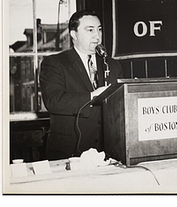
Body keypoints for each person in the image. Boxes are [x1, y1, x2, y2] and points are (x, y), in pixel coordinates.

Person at [40, 10, 123, 160]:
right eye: (90, 30)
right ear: (73, 34)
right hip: (69, 151)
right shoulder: (54, 63)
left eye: (99, 29)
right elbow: (54, 101)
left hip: (108, 152)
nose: (97, 36)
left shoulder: (112, 65)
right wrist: (92, 96)